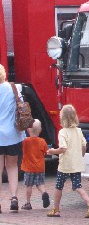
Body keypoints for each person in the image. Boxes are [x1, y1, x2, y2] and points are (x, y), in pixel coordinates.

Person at [46, 104, 89, 218]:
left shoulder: (63, 132)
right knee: (78, 186)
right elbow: (84, 145)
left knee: (59, 186)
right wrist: (81, 154)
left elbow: (63, 148)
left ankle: (56, 209)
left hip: (65, 164)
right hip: (77, 162)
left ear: (62, 118)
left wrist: (53, 151)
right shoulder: (78, 131)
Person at [0, 63, 25, 213]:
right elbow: (21, 106)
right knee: (12, 166)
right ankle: (14, 197)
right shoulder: (13, 88)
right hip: (12, 135)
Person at [20, 119, 51, 210]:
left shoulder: (25, 141)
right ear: (40, 130)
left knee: (29, 185)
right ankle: (44, 193)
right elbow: (47, 153)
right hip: (40, 167)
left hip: (28, 168)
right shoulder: (42, 141)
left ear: (28, 130)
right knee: (40, 184)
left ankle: (28, 203)